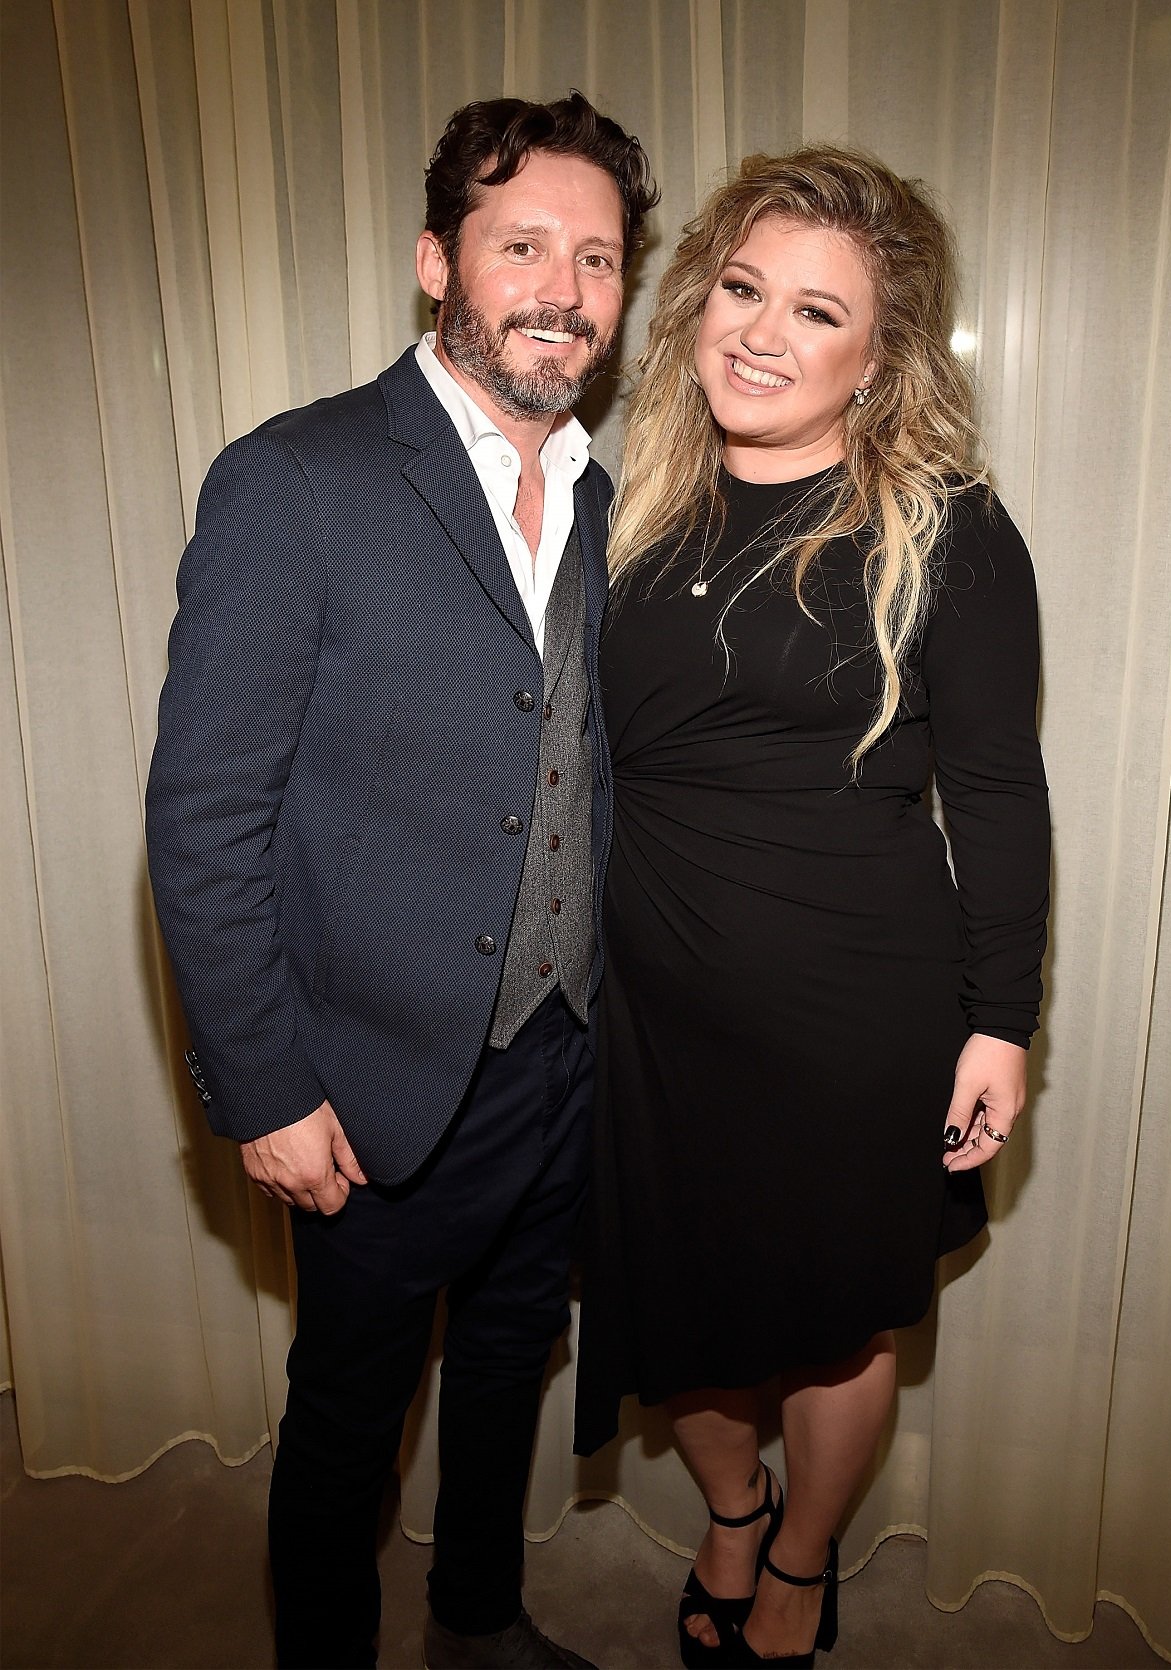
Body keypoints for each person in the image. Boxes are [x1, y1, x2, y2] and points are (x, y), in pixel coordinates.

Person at [146, 92, 657, 1670]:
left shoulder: (602, 493)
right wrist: (264, 1087)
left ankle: (480, 1616)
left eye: (597, 255)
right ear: (439, 261)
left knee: (515, 1353)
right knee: (351, 1416)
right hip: (367, 1083)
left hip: (561, 1053)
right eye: (523, 246)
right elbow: (203, 814)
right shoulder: (293, 480)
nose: (562, 288)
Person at [573, 147, 1050, 1669]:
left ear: (879, 357)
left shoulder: (950, 530)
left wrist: (1001, 1020)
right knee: (680, 1308)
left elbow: (995, 795)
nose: (762, 331)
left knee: (838, 1319)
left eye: (817, 309)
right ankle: (730, 1506)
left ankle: (796, 1554)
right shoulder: (628, 505)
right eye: (741, 287)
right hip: (647, 1014)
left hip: (856, 1016)